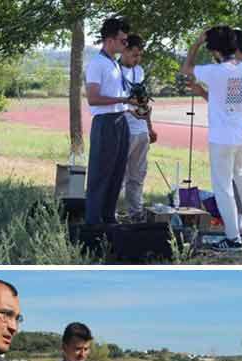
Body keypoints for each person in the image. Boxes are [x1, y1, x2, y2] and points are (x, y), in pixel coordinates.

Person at [180, 26, 242, 252]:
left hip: (222, 137)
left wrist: (196, 43)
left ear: (215, 50)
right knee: (240, 174)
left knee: (223, 187)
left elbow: (186, 68)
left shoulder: (214, 71)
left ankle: (232, 238)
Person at [85, 17, 131, 225]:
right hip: (105, 122)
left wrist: (131, 104)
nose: (126, 44)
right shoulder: (97, 63)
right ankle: (93, 224)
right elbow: (93, 98)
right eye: (123, 41)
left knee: (117, 172)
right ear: (110, 40)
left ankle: (108, 218)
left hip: (121, 120)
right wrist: (123, 99)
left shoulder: (115, 63)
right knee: (101, 174)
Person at [119, 35, 158, 223]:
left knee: (137, 174)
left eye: (140, 55)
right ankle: (110, 213)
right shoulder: (114, 70)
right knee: (118, 174)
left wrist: (150, 126)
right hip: (123, 129)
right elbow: (110, 103)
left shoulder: (139, 71)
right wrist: (129, 109)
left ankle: (136, 212)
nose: (137, 59)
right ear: (124, 50)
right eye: (134, 55)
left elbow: (143, 100)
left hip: (141, 130)